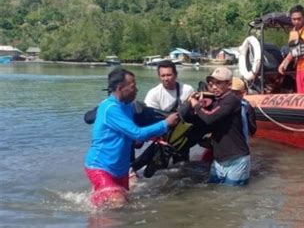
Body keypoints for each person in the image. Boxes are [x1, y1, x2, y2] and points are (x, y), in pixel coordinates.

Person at [84, 68, 180, 209]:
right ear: (120, 88)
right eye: (133, 86)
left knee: (118, 205)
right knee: (119, 203)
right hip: (100, 166)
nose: (136, 89)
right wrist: (165, 123)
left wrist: (149, 135)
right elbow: (137, 133)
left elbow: (130, 133)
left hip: (120, 169)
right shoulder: (110, 108)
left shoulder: (127, 106)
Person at [184, 67, 251, 186]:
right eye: (212, 83)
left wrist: (196, 105)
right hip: (219, 159)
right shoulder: (217, 101)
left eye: (219, 83)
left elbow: (210, 118)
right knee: (213, 191)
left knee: (231, 198)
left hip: (236, 159)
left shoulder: (232, 100)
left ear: (229, 84)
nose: (214, 87)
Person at [231, 77, 257, 143]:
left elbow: (252, 130)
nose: (232, 95)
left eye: (235, 93)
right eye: (230, 92)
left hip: (240, 145)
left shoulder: (246, 107)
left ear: (243, 93)